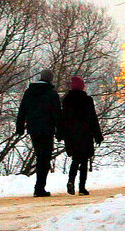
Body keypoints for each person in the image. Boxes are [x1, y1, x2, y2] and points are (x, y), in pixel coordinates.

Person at [16, 68, 62, 197]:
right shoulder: (52, 94)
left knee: (39, 155)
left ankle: (39, 187)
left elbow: (22, 110)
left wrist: (20, 127)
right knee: (45, 158)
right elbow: (57, 114)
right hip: (47, 130)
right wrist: (60, 131)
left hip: (33, 129)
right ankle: (39, 187)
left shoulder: (29, 92)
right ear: (50, 79)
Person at [59, 75, 103, 196]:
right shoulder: (87, 100)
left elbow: (63, 118)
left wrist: (61, 133)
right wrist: (97, 135)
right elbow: (93, 118)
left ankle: (70, 181)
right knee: (84, 160)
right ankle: (82, 187)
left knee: (76, 159)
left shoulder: (66, 100)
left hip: (71, 134)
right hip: (85, 133)